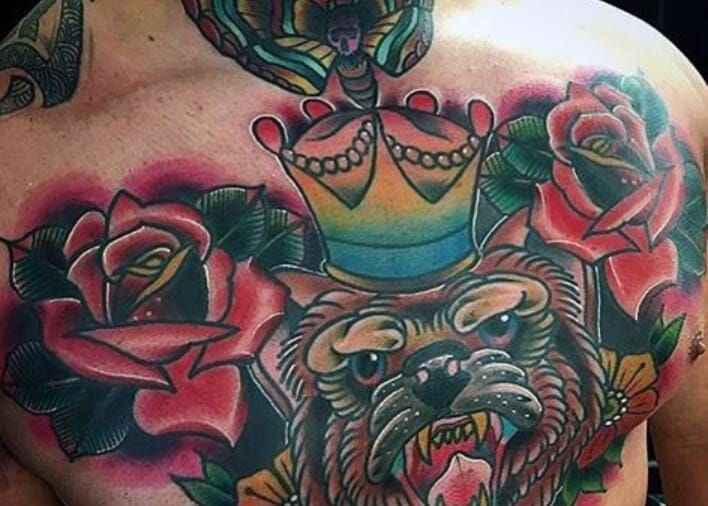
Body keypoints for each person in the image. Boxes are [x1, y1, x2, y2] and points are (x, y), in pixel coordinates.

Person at [0, 1, 705, 505]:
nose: (441, 367)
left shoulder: (639, 76)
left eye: (494, 325)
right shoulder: (20, 157)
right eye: (368, 363)